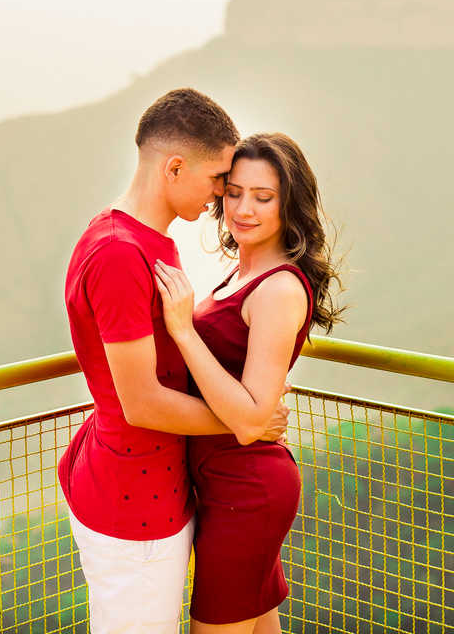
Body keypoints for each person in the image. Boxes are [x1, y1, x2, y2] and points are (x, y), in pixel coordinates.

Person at [57, 89, 291, 634]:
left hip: (159, 488)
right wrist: (246, 422)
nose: (220, 198)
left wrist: (247, 416)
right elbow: (140, 401)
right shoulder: (119, 253)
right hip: (132, 502)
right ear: (175, 167)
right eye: (217, 180)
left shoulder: (151, 243)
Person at [154, 132, 346, 634]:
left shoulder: (279, 287)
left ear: (290, 205)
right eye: (234, 191)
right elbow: (250, 408)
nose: (243, 209)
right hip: (224, 483)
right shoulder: (238, 272)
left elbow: (249, 417)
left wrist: (181, 328)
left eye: (263, 198)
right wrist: (254, 414)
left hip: (247, 489)